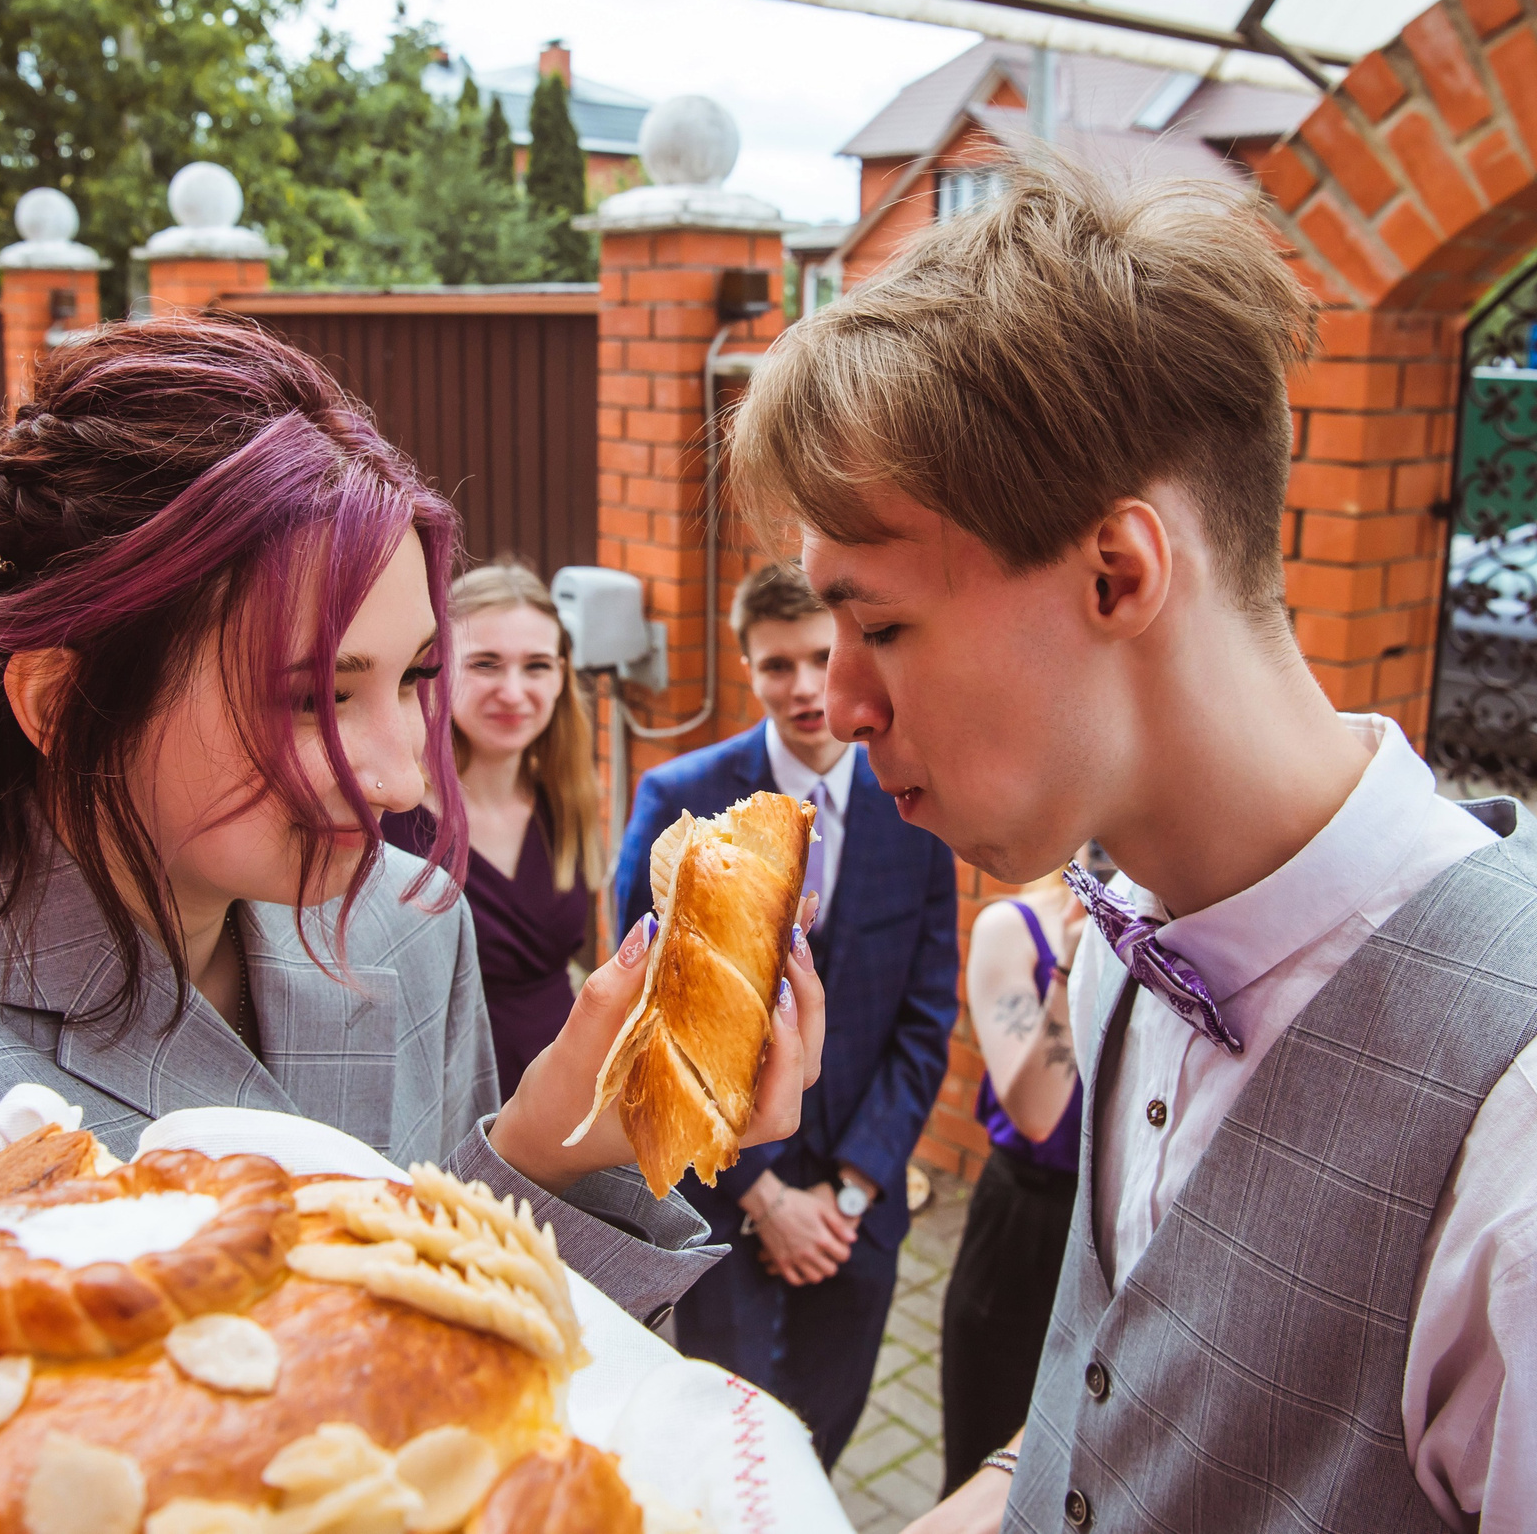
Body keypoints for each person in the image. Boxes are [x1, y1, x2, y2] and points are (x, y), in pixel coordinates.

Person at [729, 156, 1537, 1532]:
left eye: (882, 626)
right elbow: (1122, 1423)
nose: (843, 706)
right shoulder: (1122, 952)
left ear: (1119, 572)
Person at [0, 316, 824, 1331]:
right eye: (314, 696)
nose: (397, 780)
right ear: (62, 701)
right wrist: (533, 1152)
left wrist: (583, 1148)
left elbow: (505, 1354)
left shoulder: (409, 919)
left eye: (415, 675)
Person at [613, 560, 960, 1468]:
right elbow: (652, 1016)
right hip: (725, 1196)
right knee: (728, 1441)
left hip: (857, 1202)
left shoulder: (918, 801)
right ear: (746, 665)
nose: (804, 687)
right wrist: (762, 1193)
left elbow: (926, 1014)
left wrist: (851, 1189)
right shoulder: (677, 797)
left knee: (824, 1431)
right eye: (777, 666)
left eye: (819, 657)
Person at [382, 562, 605, 1097]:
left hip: (567, 1092)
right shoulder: (389, 818)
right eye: (485, 664)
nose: (513, 691)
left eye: (536, 666)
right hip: (443, 1097)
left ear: (560, 677)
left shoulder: (567, 800)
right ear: (439, 669)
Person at [937, 846, 1096, 1494]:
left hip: (1111, 1228)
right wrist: (1069, 968)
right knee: (986, 1461)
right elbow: (1035, 1112)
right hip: (1026, 1225)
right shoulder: (1013, 927)